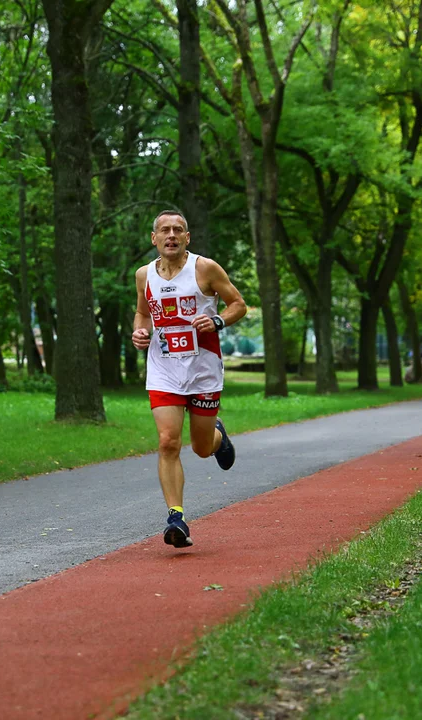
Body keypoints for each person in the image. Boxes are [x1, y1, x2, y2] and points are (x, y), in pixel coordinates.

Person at [132, 210, 247, 549]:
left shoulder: (205, 269)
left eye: (178, 230)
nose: (171, 235)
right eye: (164, 230)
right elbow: (143, 312)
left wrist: (218, 322)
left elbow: (238, 304)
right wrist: (140, 331)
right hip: (164, 369)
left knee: (199, 448)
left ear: (187, 237)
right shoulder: (144, 275)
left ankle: (216, 437)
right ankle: (176, 517)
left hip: (203, 370)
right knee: (168, 441)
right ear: (154, 238)